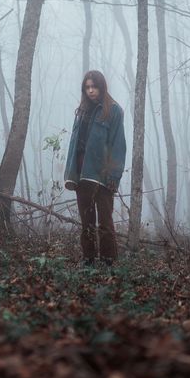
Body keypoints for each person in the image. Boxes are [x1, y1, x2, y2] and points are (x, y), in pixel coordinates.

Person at [64, 70, 126, 265]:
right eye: (87, 87)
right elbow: (74, 145)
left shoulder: (114, 110)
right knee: (86, 222)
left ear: (102, 87)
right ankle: (88, 260)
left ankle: (109, 262)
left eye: (94, 87)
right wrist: (71, 174)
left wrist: (113, 177)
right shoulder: (81, 111)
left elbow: (118, 146)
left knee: (105, 223)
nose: (91, 91)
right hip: (82, 175)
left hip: (103, 176)